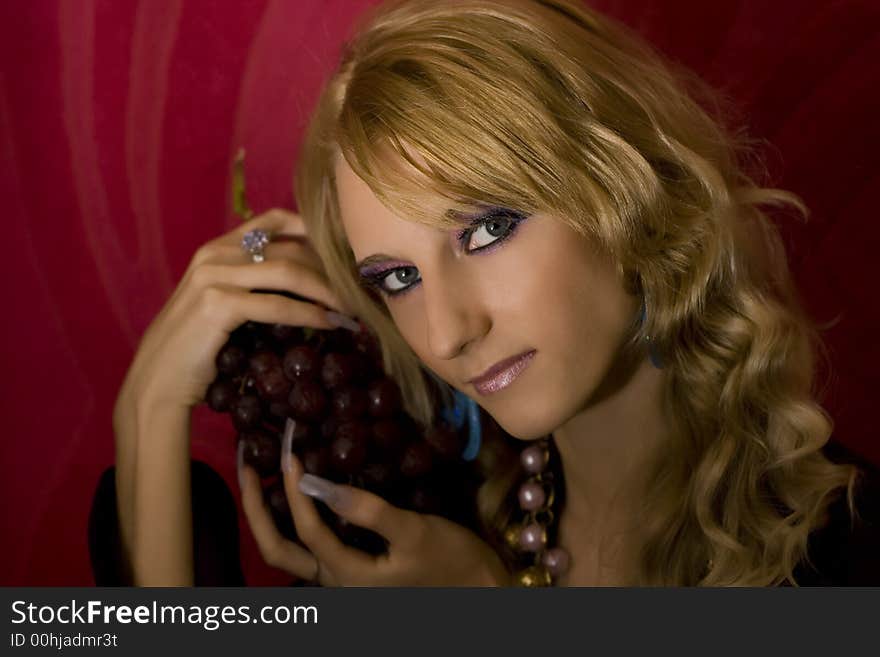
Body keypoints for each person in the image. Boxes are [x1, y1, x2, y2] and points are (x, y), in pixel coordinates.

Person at [93, 0, 879, 587]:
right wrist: (149, 407)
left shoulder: (846, 553)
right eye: (397, 278)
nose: (445, 333)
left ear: (621, 185)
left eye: (487, 229)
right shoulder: (425, 506)